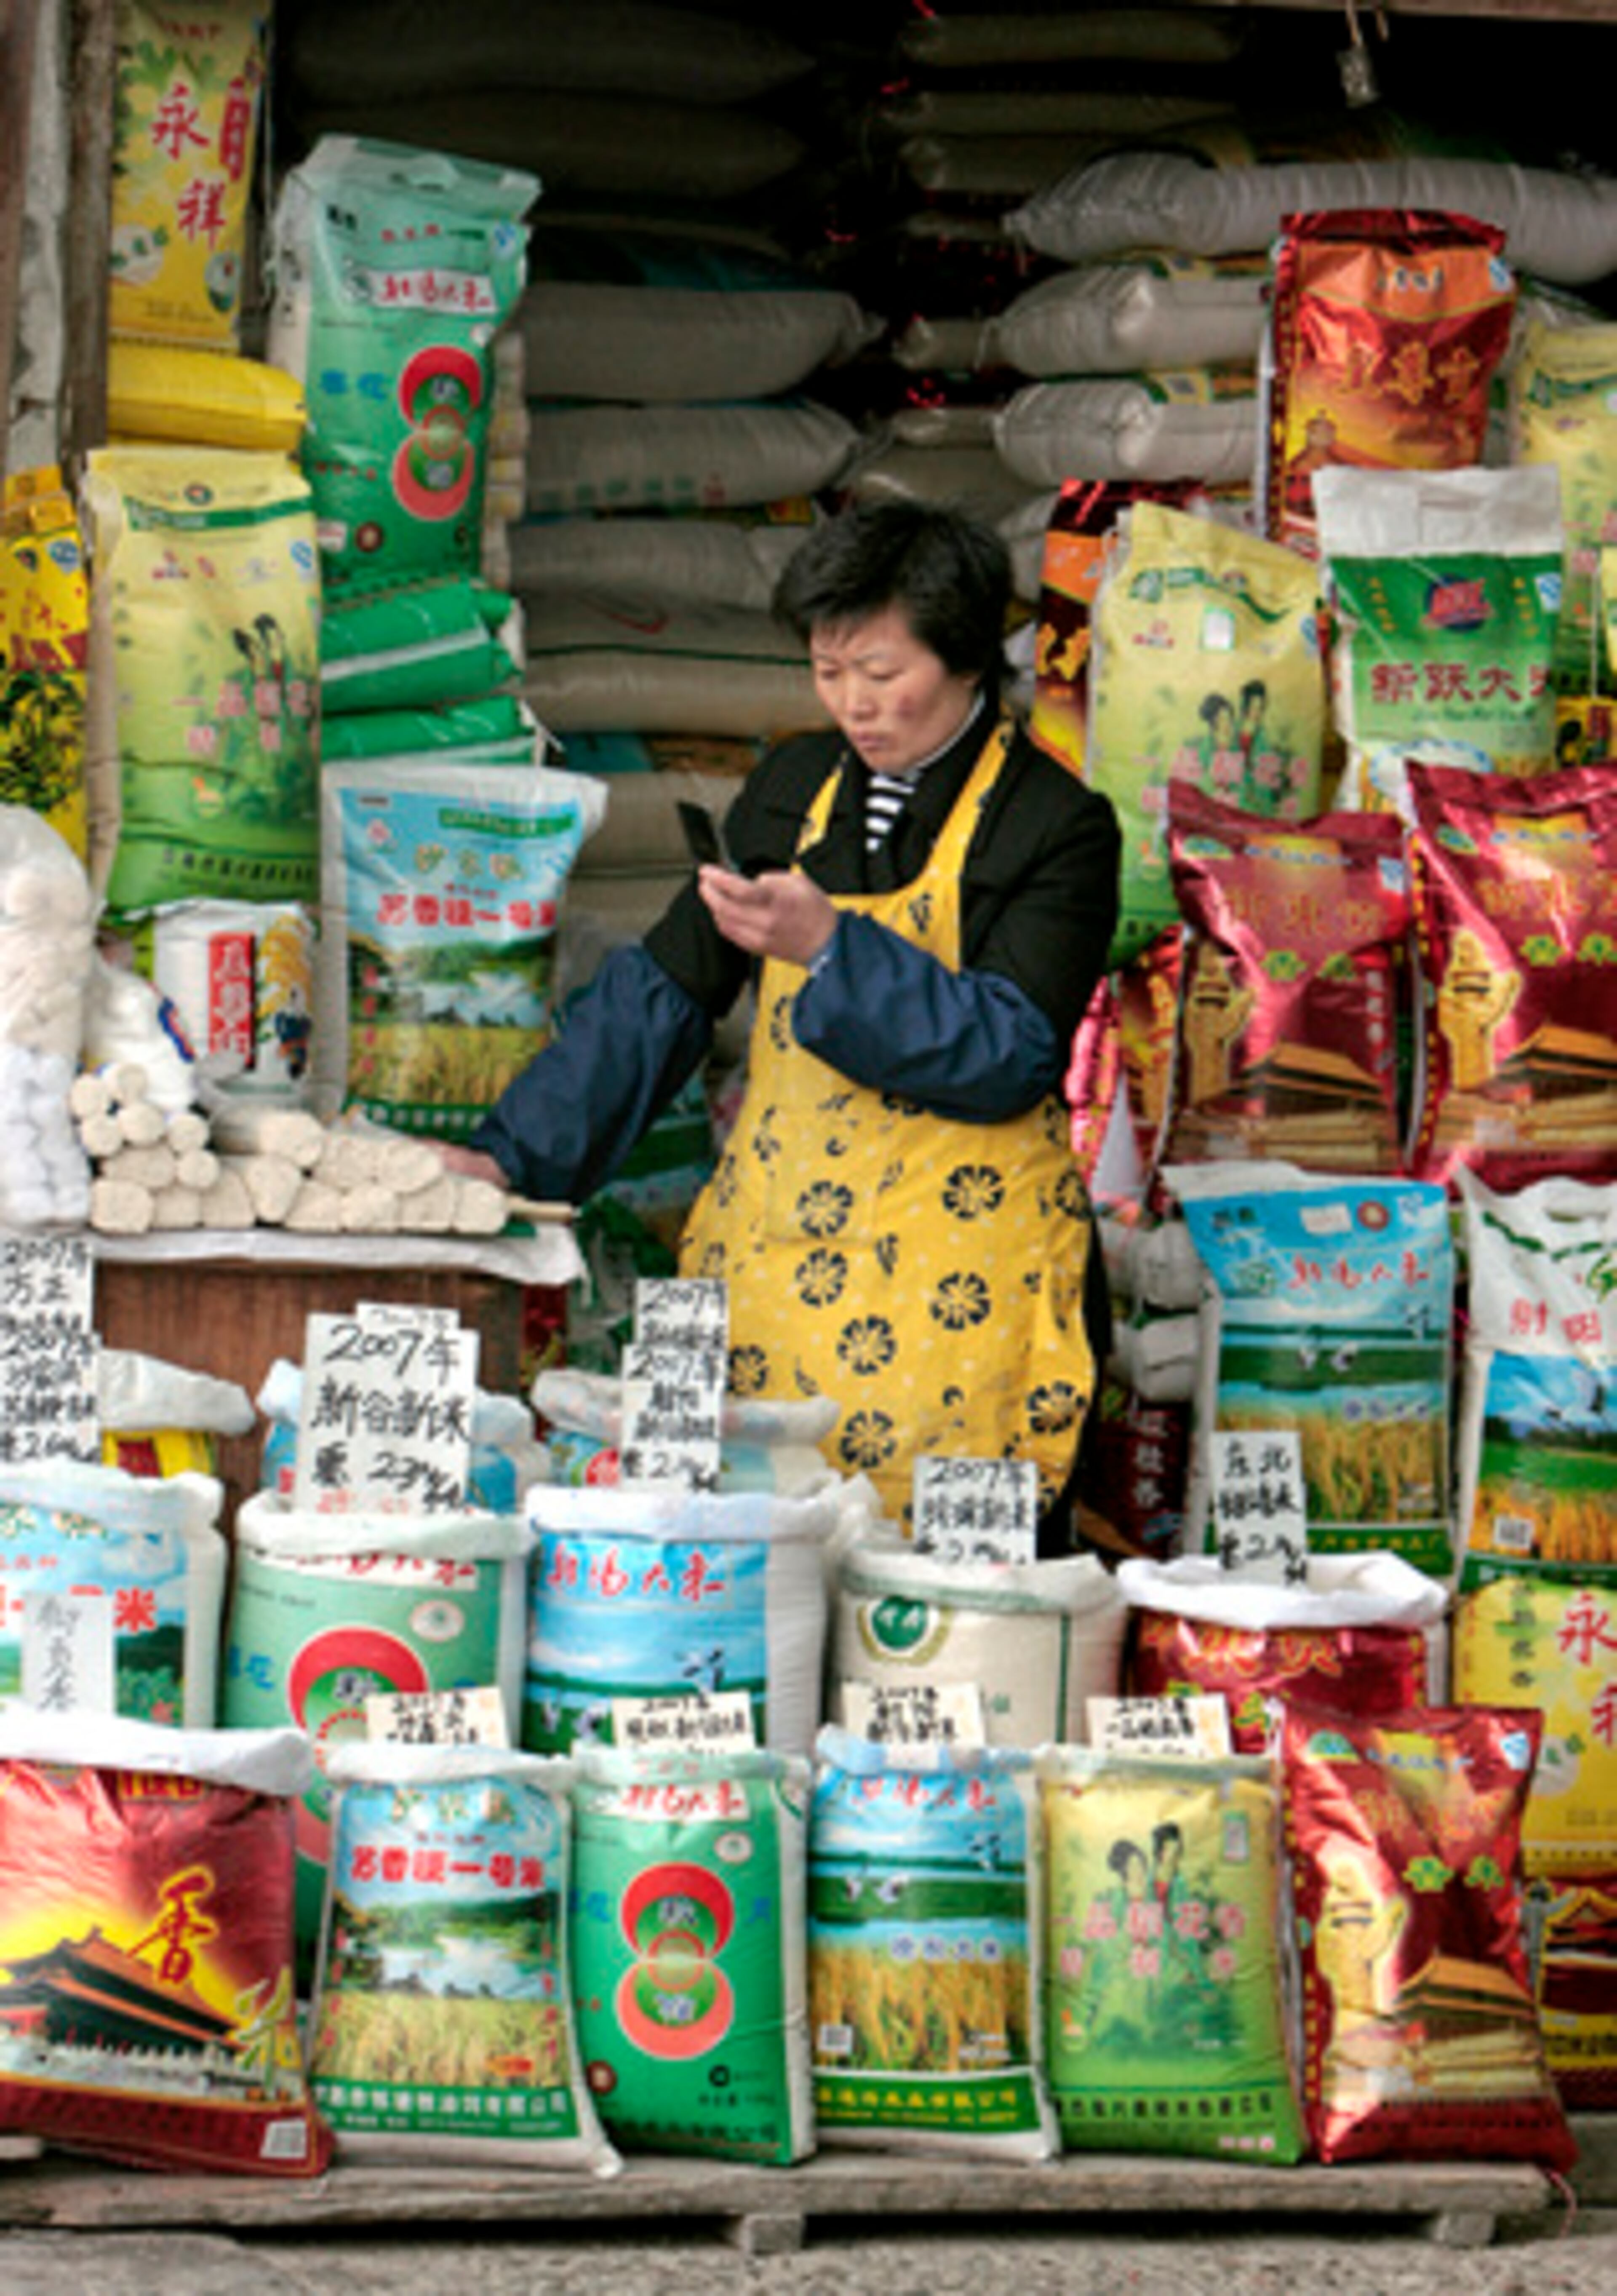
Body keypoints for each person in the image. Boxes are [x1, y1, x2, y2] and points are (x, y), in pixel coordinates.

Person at [445, 500, 1121, 1539]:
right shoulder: (793, 786)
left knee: (936, 1604)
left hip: (967, 1296)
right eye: (828, 671)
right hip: (782, 1264)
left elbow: (1011, 1052)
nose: (855, 704)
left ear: (969, 657)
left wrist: (831, 952)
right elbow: (666, 989)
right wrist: (512, 1158)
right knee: (754, 1565)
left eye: (884, 674)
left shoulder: (1058, 824)